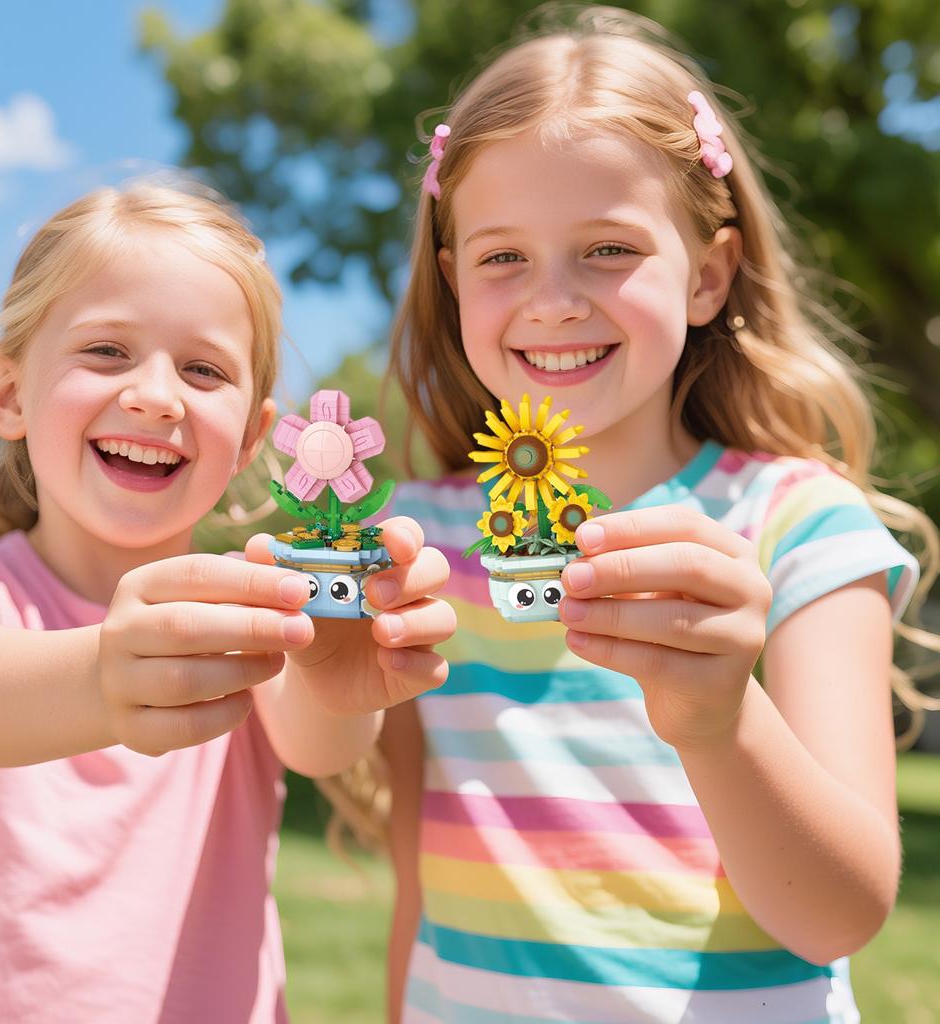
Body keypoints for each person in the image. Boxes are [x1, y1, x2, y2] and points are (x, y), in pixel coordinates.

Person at [377, 8, 938, 1024]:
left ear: (708, 275)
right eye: (503, 258)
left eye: (606, 249)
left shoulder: (797, 522)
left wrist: (721, 726)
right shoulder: (416, 545)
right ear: (454, 279)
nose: (551, 301)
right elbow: (417, 885)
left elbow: (840, 913)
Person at [0, 181, 455, 1023]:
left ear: (250, 436)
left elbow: (318, 744)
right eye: (105, 351)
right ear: (10, 394)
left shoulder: (248, 605)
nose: (158, 395)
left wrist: (336, 679)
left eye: (203, 370)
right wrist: (105, 675)